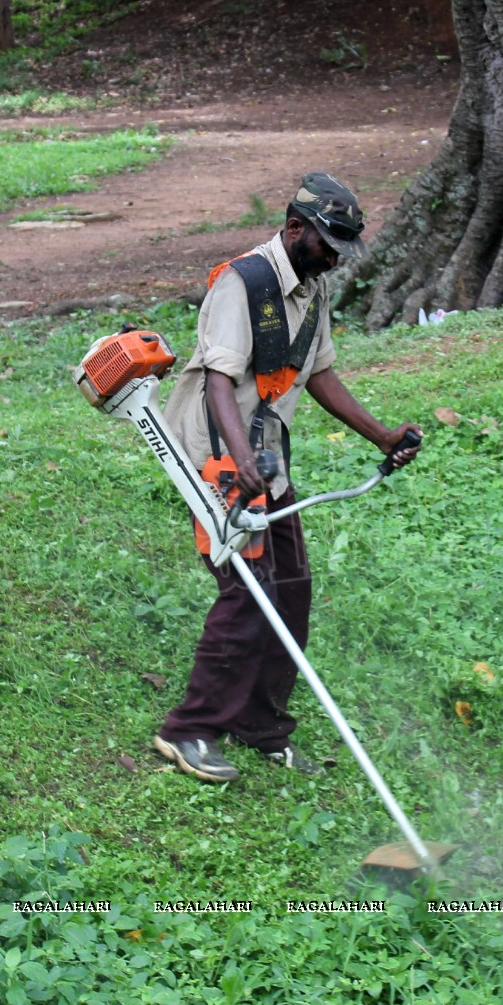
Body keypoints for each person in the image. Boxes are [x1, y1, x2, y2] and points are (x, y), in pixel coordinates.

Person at [153, 173, 421, 783]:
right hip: (219, 460)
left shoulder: (311, 290)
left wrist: (380, 435)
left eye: (341, 249)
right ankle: (189, 730)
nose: (333, 258)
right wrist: (240, 456)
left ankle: (259, 722)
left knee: (291, 589)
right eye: (327, 244)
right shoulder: (241, 283)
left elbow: (318, 374)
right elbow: (220, 379)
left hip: (265, 459)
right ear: (295, 228)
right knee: (248, 591)